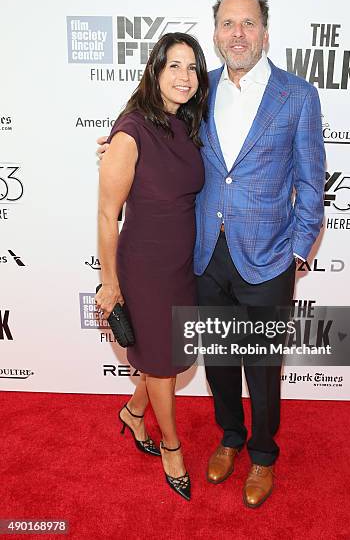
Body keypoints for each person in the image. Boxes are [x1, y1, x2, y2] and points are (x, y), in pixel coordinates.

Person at [98, 0, 325, 508]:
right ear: (217, 34)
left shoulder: (298, 95)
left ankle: (264, 455)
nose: (237, 33)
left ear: (265, 33)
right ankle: (230, 437)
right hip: (203, 254)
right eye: (227, 24)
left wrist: (297, 251)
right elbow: (155, 134)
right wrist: (119, 142)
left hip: (268, 256)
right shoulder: (200, 91)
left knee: (263, 367)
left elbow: (313, 181)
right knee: (220, 359)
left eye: (248, 24)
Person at [95, 32, 208, 501]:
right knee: (163, 365)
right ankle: (172, 447)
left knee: (166, 357)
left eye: (192, 68)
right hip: (144, 267)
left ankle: (133, 413)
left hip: (182, 264)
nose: (184, 77)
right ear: (155, 71)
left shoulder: (188, 124)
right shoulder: (132, 129)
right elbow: (107, 213)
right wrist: (109, 284)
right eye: (174, 66)